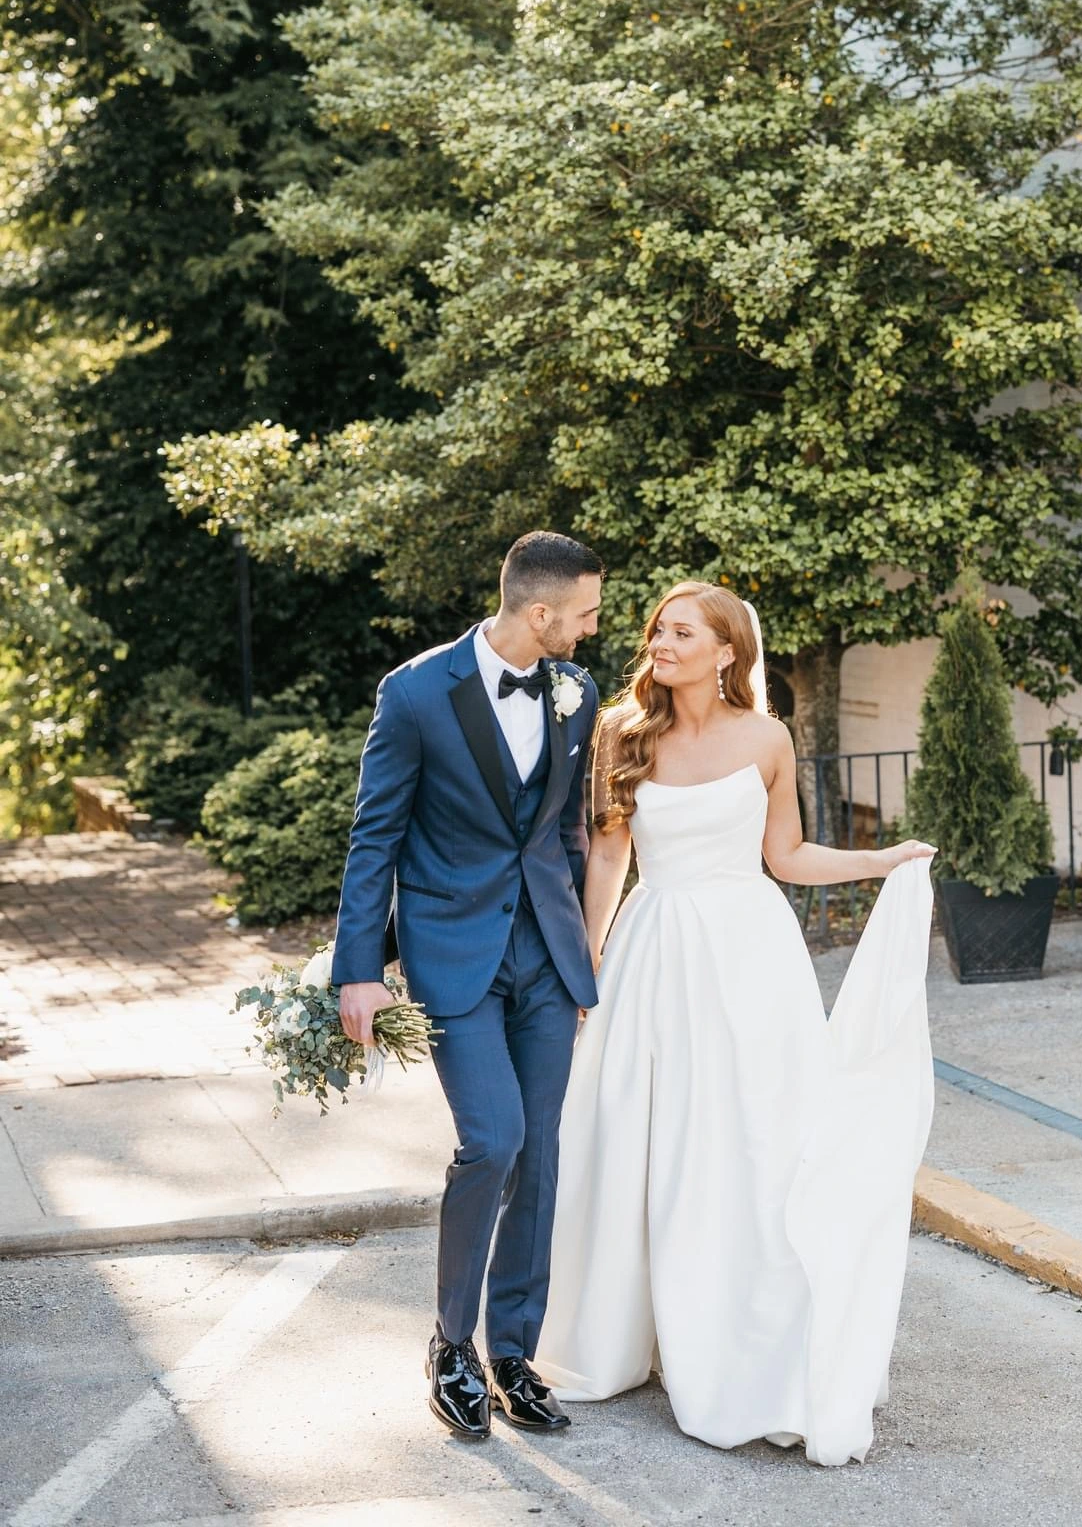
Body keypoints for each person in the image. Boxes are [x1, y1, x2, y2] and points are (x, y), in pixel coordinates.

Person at [536, 581, 938, 1466]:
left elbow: (785, 856)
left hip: (751, 959)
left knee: (757, 1146)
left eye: (683, 631)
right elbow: (607, 856)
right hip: (654, 954)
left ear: (727, 652)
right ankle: (627, 1334)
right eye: (658, 629)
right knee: (645, 1141)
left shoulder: (766, 738)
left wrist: (883, 858)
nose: (662, 641)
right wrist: (586, 965)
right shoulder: (620, 732)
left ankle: (751, 1346)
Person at [332, 530, 603, 1443]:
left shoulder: (577, 692)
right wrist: (360, 970)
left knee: (541, 1155)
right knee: (493, 1140)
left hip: (547, 957)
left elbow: (564, 827)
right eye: (587, 612)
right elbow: (375, 837)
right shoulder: (414, 694)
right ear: (540, 613)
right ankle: (452, 1344)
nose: (594, 628)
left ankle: (514, 1354)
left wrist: (578, 942)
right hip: (454, 955)